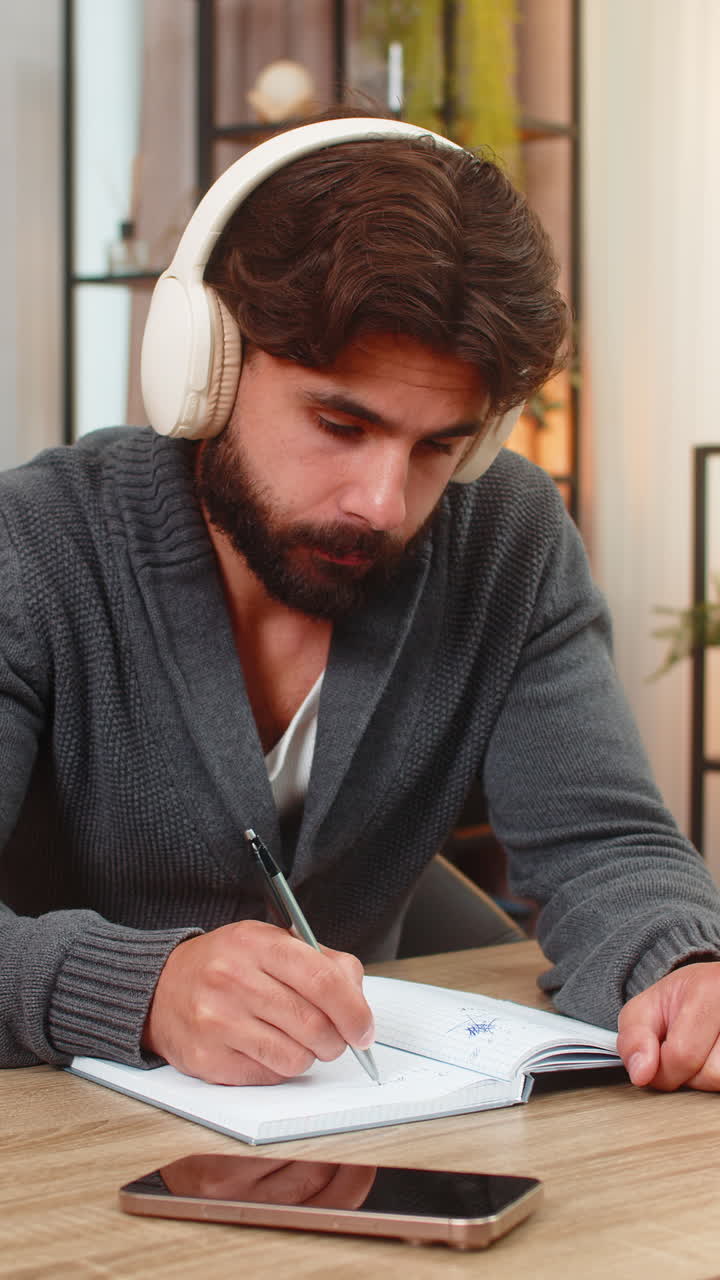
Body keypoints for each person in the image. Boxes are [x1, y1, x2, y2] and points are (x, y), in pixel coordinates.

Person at [1, 111, 720, 1095]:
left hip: (345, 1132)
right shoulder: (34, 547)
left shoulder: (502, 538)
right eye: (341, 421)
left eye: (438, 445)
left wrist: (684, 968)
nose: (384, 504)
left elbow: (607, 845)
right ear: (204, 366)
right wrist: (143, 987)